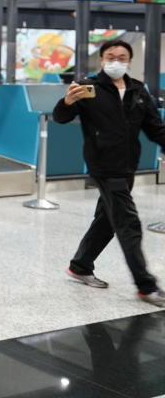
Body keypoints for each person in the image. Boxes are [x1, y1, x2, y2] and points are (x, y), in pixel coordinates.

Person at [54, 39, 165, 307]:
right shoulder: (89, 87)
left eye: (122, 56)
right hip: (103, 166)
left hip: (128, 165)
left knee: (106, 219)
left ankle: (80, 266)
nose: (116, 61)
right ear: (102, 60)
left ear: (129, 60)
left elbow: (155, 128)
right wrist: (67, 101)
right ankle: (146, 286)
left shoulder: (138, 90)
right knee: (128, 223)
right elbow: (61, 117)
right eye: (111, 56)